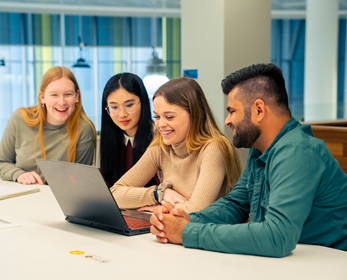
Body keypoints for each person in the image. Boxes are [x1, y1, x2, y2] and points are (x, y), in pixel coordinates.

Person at [150, 63, 347, 257]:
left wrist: (186, 233)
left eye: (232, 111)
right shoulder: (261, 149)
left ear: (259, 110)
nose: (227, 121)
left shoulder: (297, 152)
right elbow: (237, 204)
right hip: (299, 262)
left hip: (333, 263)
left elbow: (276, 237)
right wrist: (186, 219)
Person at [110, 77, 242, 214]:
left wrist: (160, 209)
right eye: (157, 117)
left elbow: (196, 209)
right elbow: (114, 194)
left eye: (169, 117)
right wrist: (158, 194)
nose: (160, 124)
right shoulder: (160, 147)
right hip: (172, 229)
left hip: (205, 232)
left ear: (194, 114)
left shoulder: (214, 148)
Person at [0, 66, 97, 185]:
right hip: (20, 195)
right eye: (54, 95)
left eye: (68, 94)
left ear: (76, 96)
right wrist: (18, 174)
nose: (61, 102)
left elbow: (79, 181)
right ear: (42, 98)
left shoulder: (84, 129)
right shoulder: (19, 119)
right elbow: (2, 162)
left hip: (57, 199)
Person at [100, 72, 157, 188]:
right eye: (114, 107)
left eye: (129, 105)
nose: (122, 114)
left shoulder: (159, 138)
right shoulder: (110, 139)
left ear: (143, 102)